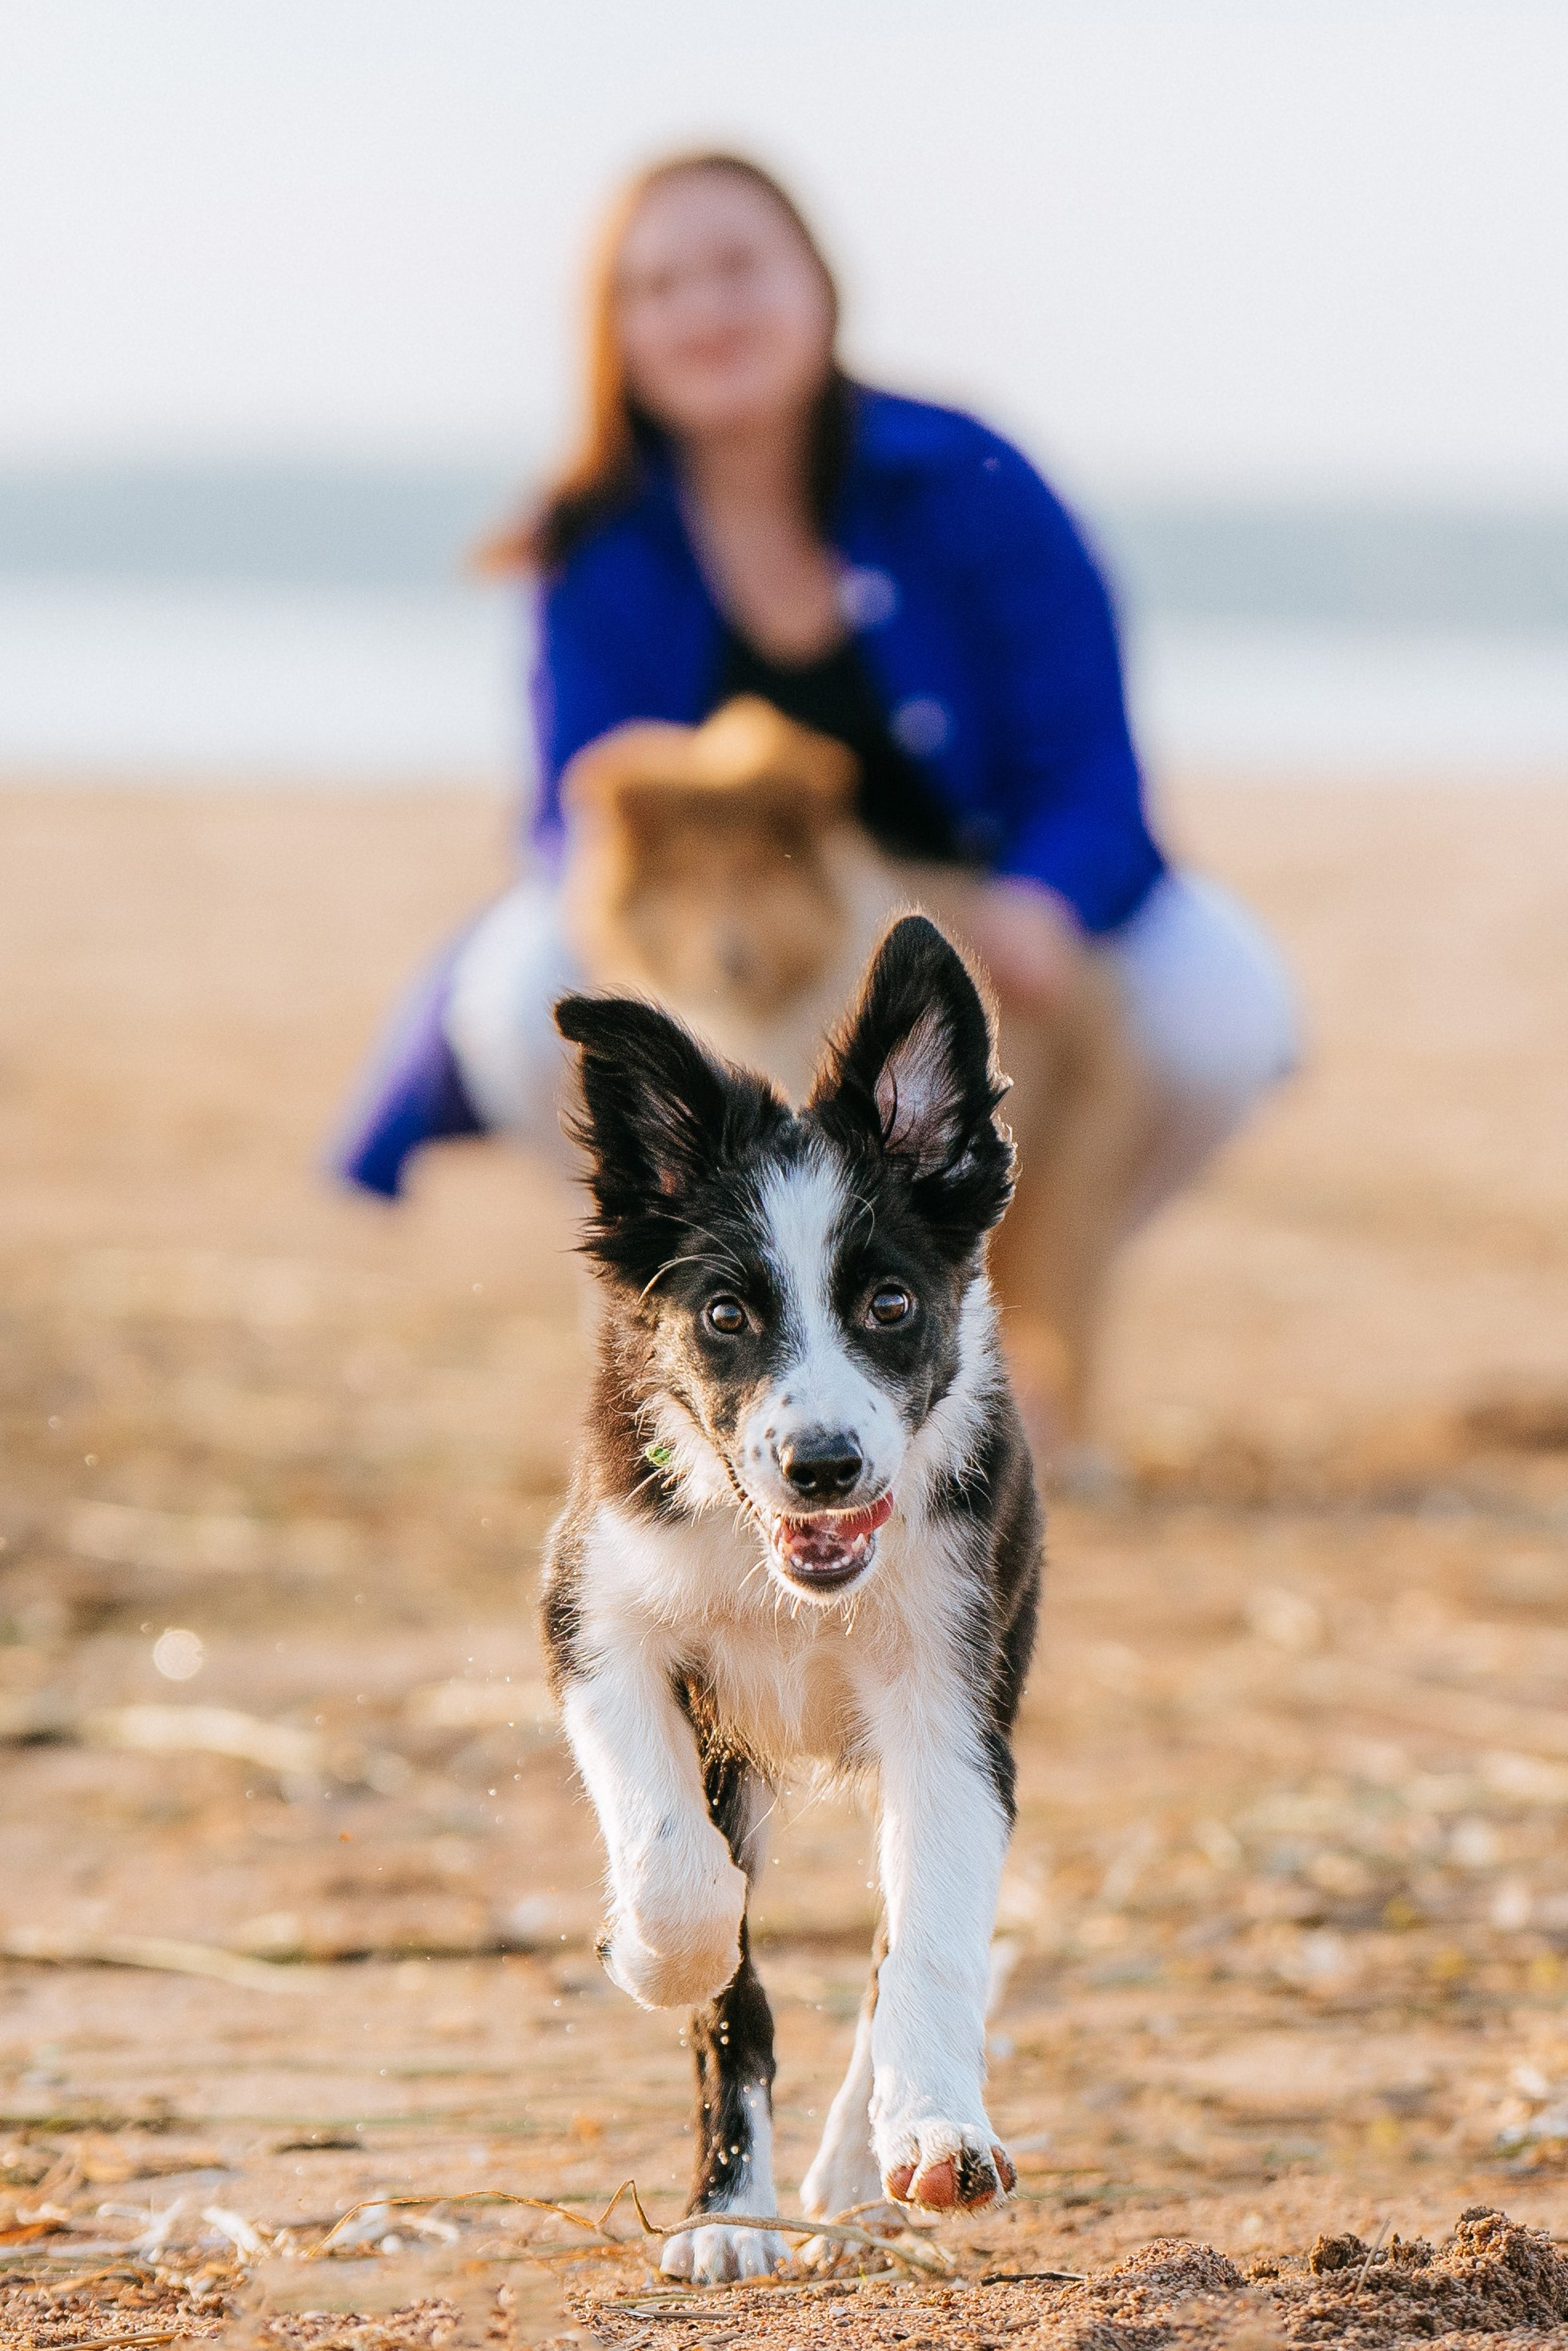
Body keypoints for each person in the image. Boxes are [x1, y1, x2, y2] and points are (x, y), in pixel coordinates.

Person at [335, 151, 1297, 1396]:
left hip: (981, 903)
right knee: (524, 990)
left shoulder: (967, 478)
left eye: (739, 267)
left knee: (1221, 1009)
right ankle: (692, 1307)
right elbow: (574, 811)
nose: (705, 309)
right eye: (659, 285)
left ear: (819, 287)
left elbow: (1091, 762)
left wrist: (1047, 895)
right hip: (724, 926)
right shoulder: (598, 538)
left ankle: (988, 1291)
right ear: (616, 330)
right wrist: (669, 941)